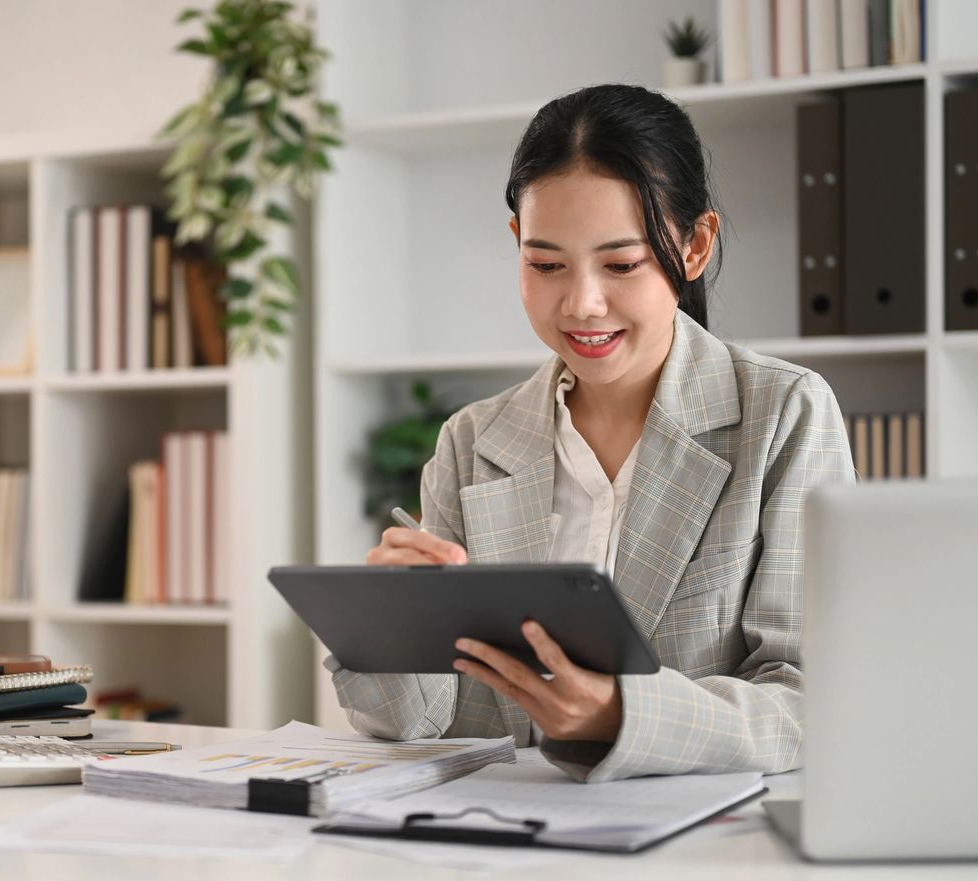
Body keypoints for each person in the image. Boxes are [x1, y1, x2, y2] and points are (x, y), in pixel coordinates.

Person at [325, 83, 856, 783]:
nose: (581, 304)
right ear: (517, 243)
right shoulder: (471, 442)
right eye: (546, 265)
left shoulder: (784, 416)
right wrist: (390, 627)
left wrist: (622, 716)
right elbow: (418, 722)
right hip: (494, 851)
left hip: (704, 862)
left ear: (694, 246)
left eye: (621, 264)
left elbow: (810, 702)